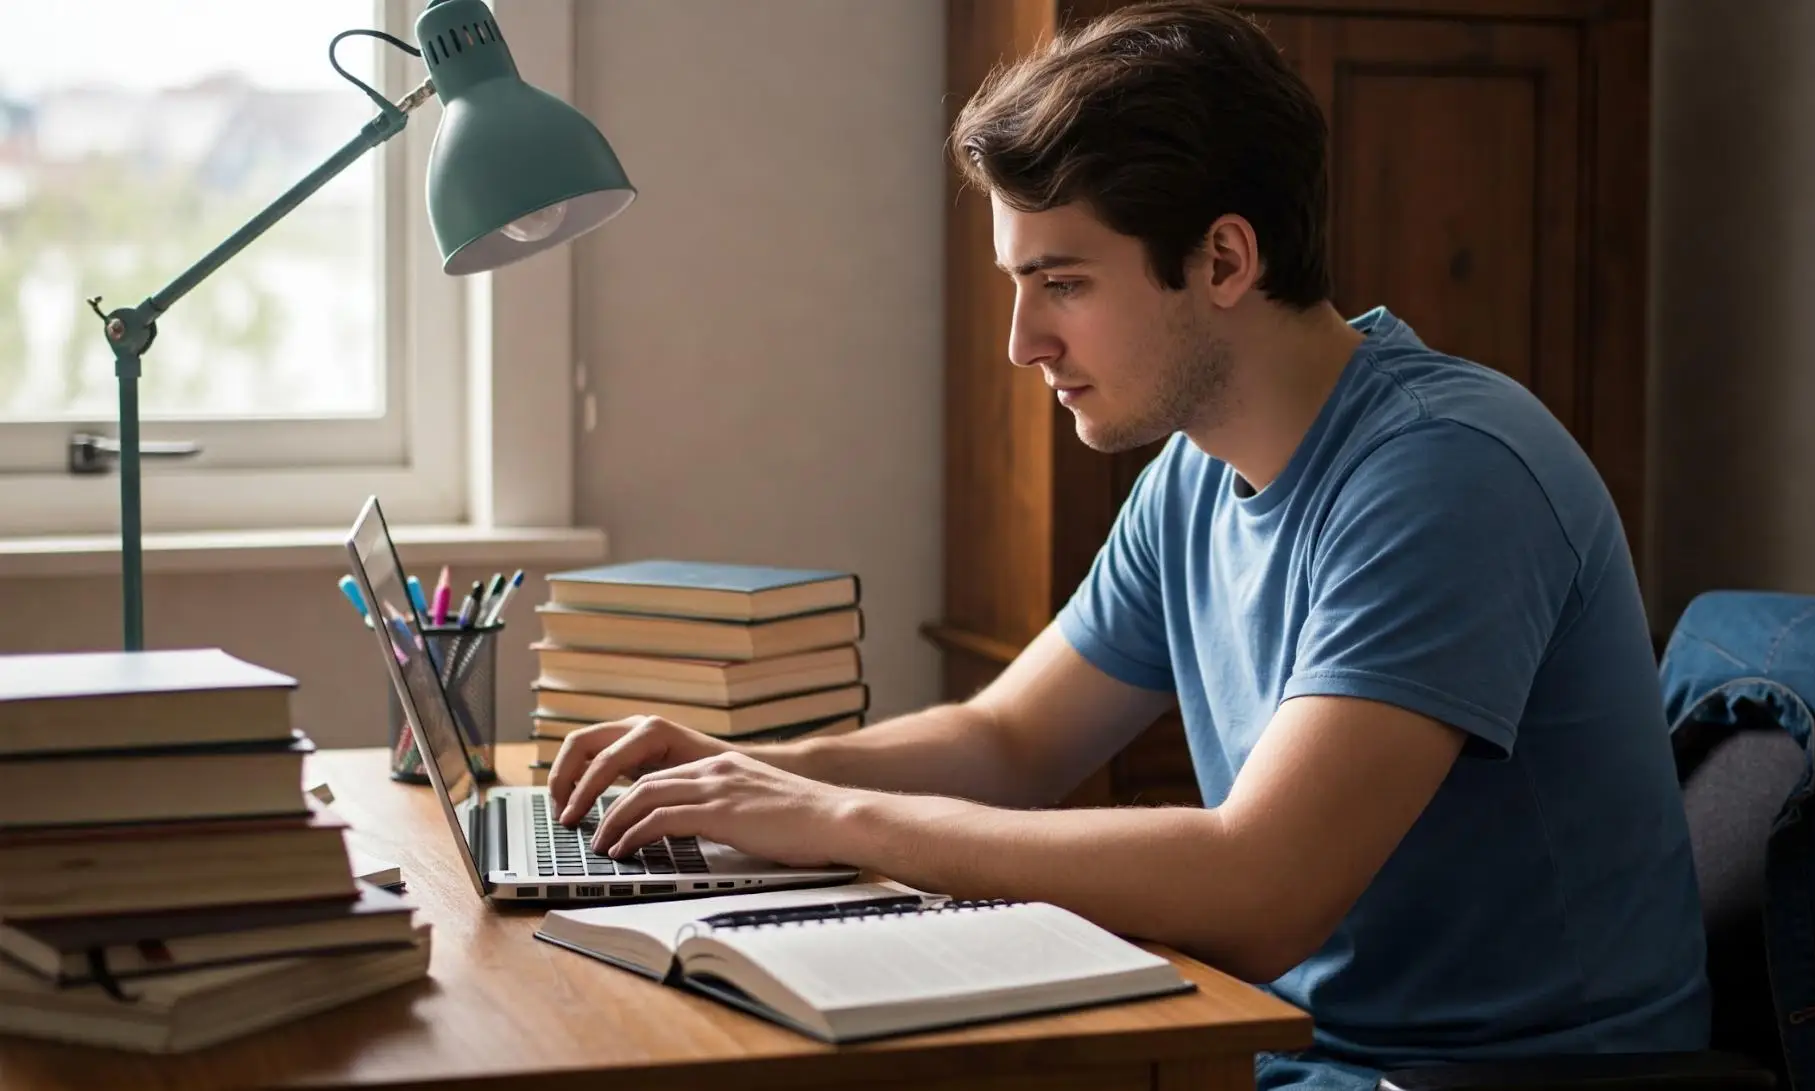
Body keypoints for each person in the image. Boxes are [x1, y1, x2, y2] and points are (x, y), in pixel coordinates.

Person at [550, 2, 1710, 1086]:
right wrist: (742, 773)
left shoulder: (1448, 471)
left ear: (1221, 262)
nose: (1022, 342)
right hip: (1290, 1045)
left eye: (1060, 282)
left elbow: (1264, 885)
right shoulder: (1193, 476)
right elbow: (1007, 739)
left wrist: (834, 820)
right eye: (1017, 283)